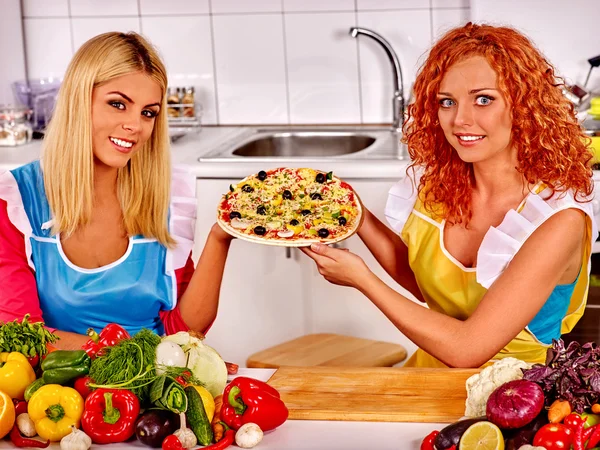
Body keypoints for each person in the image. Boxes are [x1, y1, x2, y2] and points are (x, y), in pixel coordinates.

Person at [302, 23, 598, 368]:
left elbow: (467, 349)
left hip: (515, 399)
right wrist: (356, 214)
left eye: (483, 99)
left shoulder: (557, 219)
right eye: (447, 102)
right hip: (426, 379)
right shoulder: (439, 187)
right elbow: (425, 284)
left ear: (524, 106)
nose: (460, 120)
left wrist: (363, 280)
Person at [0, 32, 234, 349]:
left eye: (147, 112)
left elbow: (182, 330)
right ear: (78, 100)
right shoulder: (17, 202)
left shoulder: (164, 199)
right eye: (117, 104)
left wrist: (221, 237)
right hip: (60, 393)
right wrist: (151, 364)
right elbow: (21, 337)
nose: (135, 126)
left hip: (149, 390)